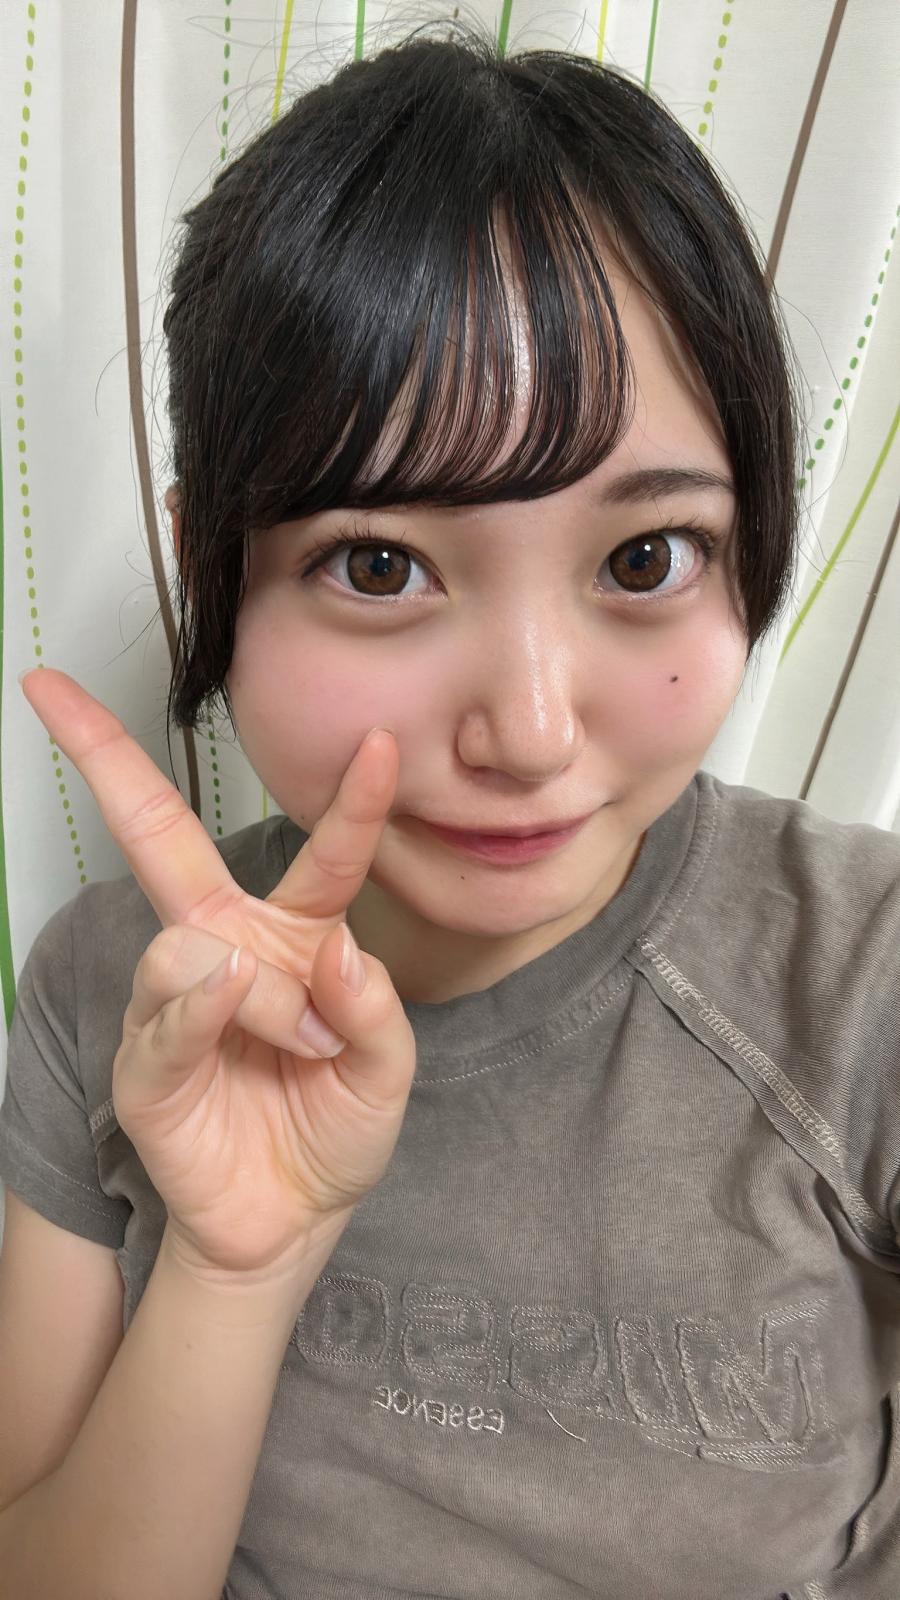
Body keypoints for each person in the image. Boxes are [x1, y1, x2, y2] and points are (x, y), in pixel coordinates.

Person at [0, 22, 898, 1600]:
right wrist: (230, 1268)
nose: (530, 733)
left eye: (645, 559)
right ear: (212, 567)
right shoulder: (108, 989)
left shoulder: (864, 979)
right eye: (379, 564)